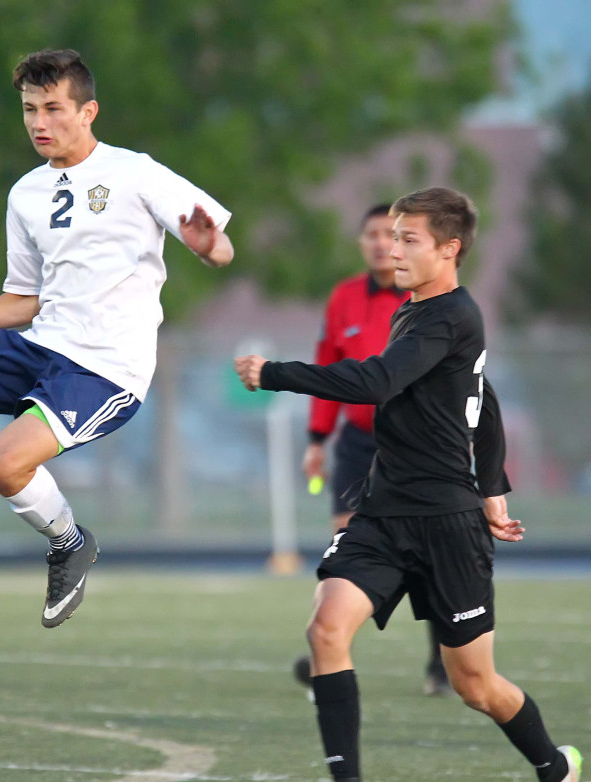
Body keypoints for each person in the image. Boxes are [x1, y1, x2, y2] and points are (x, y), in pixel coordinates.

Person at [0, 48, 233, 636]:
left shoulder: (136, 172)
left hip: (106, 370)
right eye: (30, 109)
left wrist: (205, 244)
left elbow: (222, 249)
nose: (39, 122)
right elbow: (25, 299)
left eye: (54, 108)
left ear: (89, 112)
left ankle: (70, 543)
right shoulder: (26, 193)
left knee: (5, 463)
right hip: (41, 343)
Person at [235, 187, 581, 782]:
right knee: (325, 628)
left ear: (449, 249)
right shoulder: (416, 309)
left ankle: (555, 765)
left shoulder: (453, 314)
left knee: (476, 685)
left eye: (407, 239)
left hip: (448, 522)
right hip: (383, 512)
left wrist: (275, 373)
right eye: (391, 237)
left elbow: (378, 382)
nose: (391, 249)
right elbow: (482, 399)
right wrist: (495, 485)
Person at [292, 204, 448, 698]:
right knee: (347, 545)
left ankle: (441, 661)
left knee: (427, 554)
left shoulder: (426, 298)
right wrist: (317, 439)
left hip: (414, 445)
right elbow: (328, 368)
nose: (383, 244)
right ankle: (330, 655)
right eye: (373, 235)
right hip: (358, 443)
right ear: (361, 243)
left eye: (392, 235)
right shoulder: (344, 298)